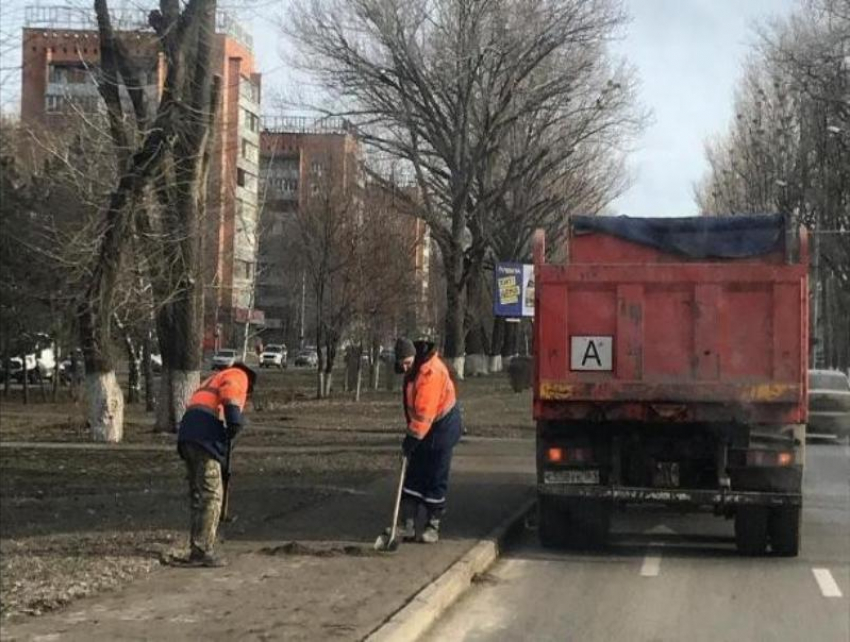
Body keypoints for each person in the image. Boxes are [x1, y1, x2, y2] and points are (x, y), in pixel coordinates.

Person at [176, 362, 257, 567]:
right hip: (204, 437)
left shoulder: (212, 379)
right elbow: (230, 393)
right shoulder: (238, 374)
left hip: (188, 434)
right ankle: (202, 551)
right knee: (212, 495)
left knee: (198, 494)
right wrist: (235, 421)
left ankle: (197, 546)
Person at [394, 336, 463, 543]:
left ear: (414, 357)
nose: (405, 368)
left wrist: (410, 441)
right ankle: (407, 524)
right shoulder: (413, 371)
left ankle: (433, 525)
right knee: (415, 472)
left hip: (443, 426)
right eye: (401, 364)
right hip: (425, 426)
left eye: (407, 363)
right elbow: (412, 410)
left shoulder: (430, 373)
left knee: (435, 474)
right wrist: (412, 436)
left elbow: (425, 412)